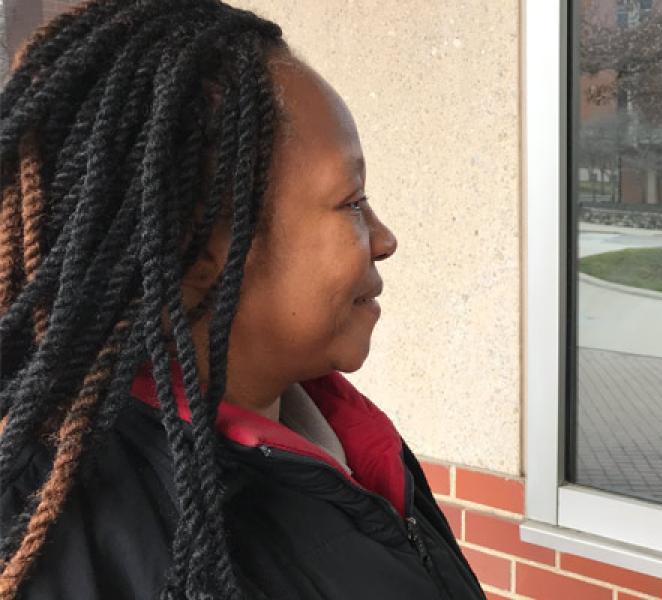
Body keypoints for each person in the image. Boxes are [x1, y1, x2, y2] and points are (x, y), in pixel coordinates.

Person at [0, 2, 484, 599]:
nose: (384, 239)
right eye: (351, 202)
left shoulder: (346, 436)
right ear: (201, 252)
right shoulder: (66, 545)